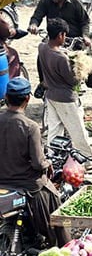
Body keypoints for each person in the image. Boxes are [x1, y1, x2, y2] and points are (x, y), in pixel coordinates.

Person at [0, 77, 70, 247]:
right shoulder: (30, 126)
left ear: (6, 97)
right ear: (27, 99)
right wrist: (48, 164)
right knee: (56, 200)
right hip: (25, 183)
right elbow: (38, 163)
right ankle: (65, 246)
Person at [28, 0, 92, 109]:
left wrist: (85, 36)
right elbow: (36, 16)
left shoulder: (75, 2)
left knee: (90, 69)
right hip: (55, 40)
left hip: (75, 41)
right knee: (42, 56)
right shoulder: (45, 1)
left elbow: (85, 21)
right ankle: (44, 83)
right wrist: (33, 25)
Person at [37, 18, 92, 171]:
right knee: (77, 130)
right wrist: (79, 71)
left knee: (54, 130)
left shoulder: (42, 47)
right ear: (61, 35)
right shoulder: (61, 59)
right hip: (65, 99)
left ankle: (52, 159)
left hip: (50, 96)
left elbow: (51, 53)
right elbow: (72, 81)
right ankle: (88, 160)